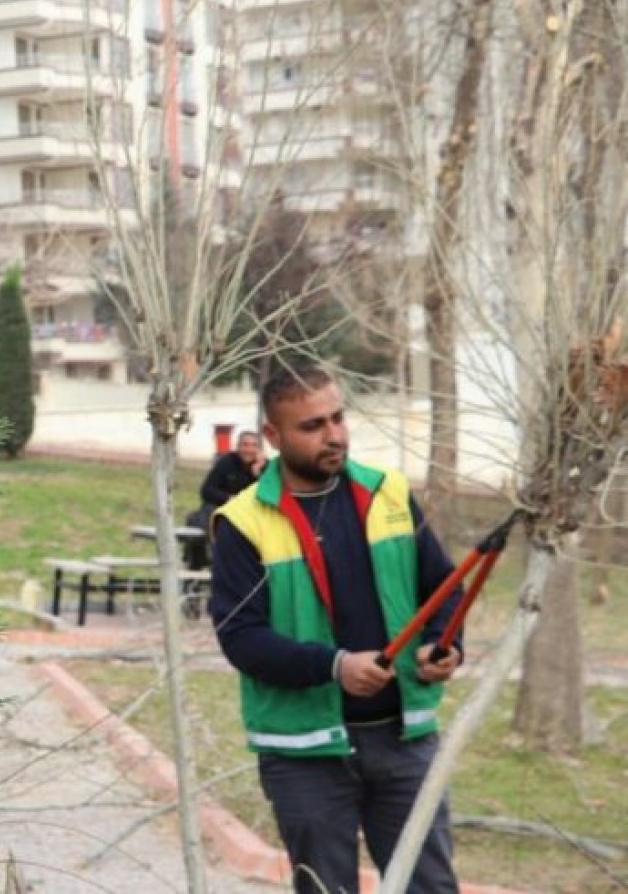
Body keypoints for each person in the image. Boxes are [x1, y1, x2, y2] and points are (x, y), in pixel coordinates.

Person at [208, 364, 464, 894]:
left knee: (431, 887)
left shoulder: (388, 492)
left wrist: (446, 644)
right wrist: (334, 667)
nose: (334, 435)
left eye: (338, 417)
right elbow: (241, 638)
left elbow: (441, 586)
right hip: (304, 752)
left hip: (403, 739)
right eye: (313, 426)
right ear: (274, 437)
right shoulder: (243, 521)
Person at [184, 430, 265, 568]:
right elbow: (207, 490)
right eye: (245, 445)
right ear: (238, 447)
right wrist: (229, 498)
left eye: (253, 445)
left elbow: (268, 495)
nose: (249, 449)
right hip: (223, 508)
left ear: (259, 449)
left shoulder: (266, 467)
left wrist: (258, 475)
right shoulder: (226, 462)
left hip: (251, 514)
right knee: (208, 516)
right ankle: (205, 562)